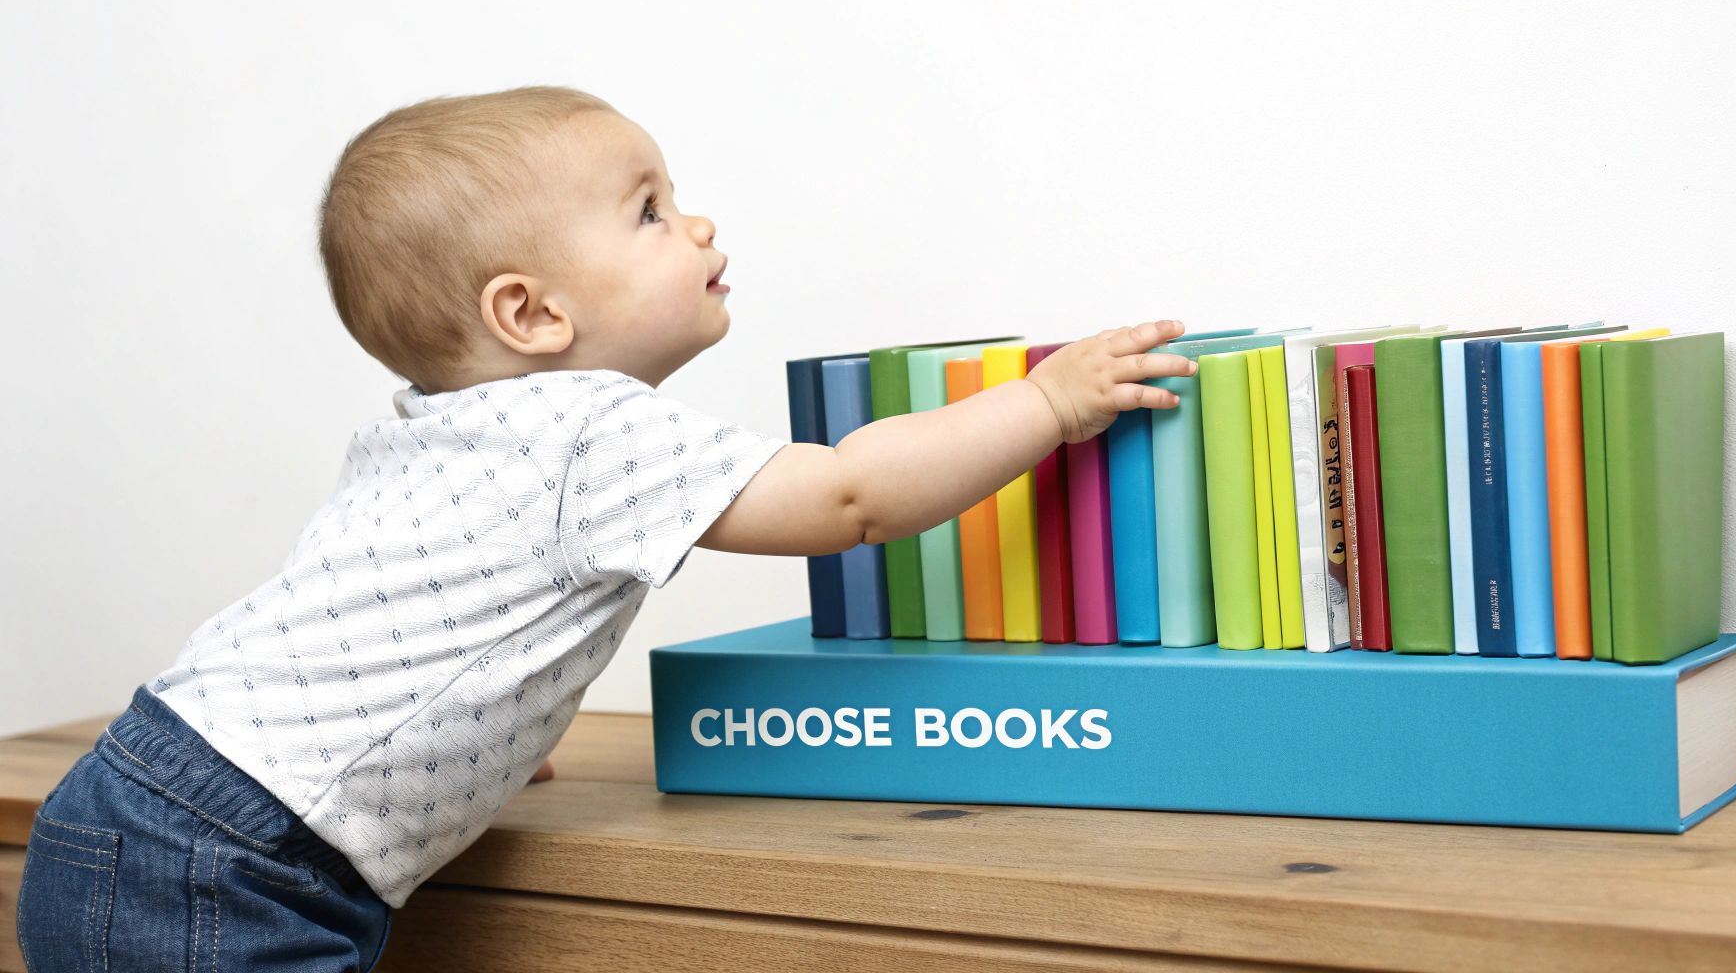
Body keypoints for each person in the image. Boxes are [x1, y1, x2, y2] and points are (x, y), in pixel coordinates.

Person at [14, 84, 1196, 971]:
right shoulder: (588, 427)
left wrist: (473, 744)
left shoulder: (438, 431)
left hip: (138, 799)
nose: (694, 225)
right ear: (529, 313)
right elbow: (848, 497)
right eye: (647, 211)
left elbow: (383, 613)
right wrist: (1043, 402)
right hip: (233, 867)